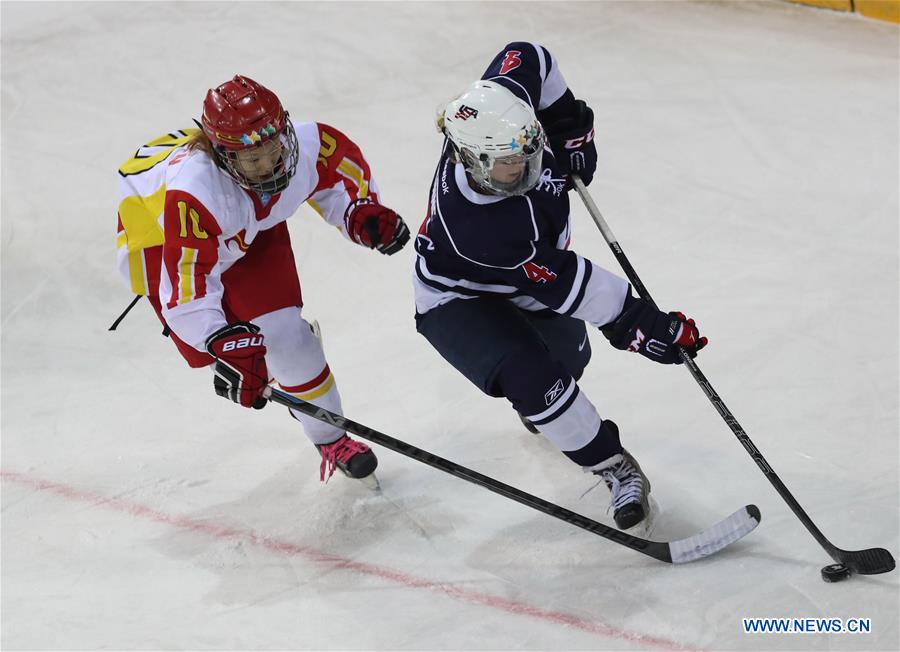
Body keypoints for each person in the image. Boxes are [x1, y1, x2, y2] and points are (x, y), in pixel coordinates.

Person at [413, 43, 707, 530]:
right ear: (472, 159)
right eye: (510, 163)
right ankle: (614, 466)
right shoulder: (476, 226)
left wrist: (567, 126)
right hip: (458, 296)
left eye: (530, 150)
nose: (527, 167)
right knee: (536, 381)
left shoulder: (503, 111)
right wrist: (641, 324)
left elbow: (529, 55)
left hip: (529, 278)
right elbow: (573, 284)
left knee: (569, 365)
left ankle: (551, 408)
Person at [116, 75, 409, 482]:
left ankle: (330, 438)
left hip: (245, 226)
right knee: (237, 355)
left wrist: (359, 213)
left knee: (289, 340)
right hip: (165, 238)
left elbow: (339, 174)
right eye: (254, 160)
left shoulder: (307, 144)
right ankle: (274, 370)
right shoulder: (195, 195)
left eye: (275, 150)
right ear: (224, 157)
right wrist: (220, 340)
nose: (271, 166)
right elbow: (185, 290)